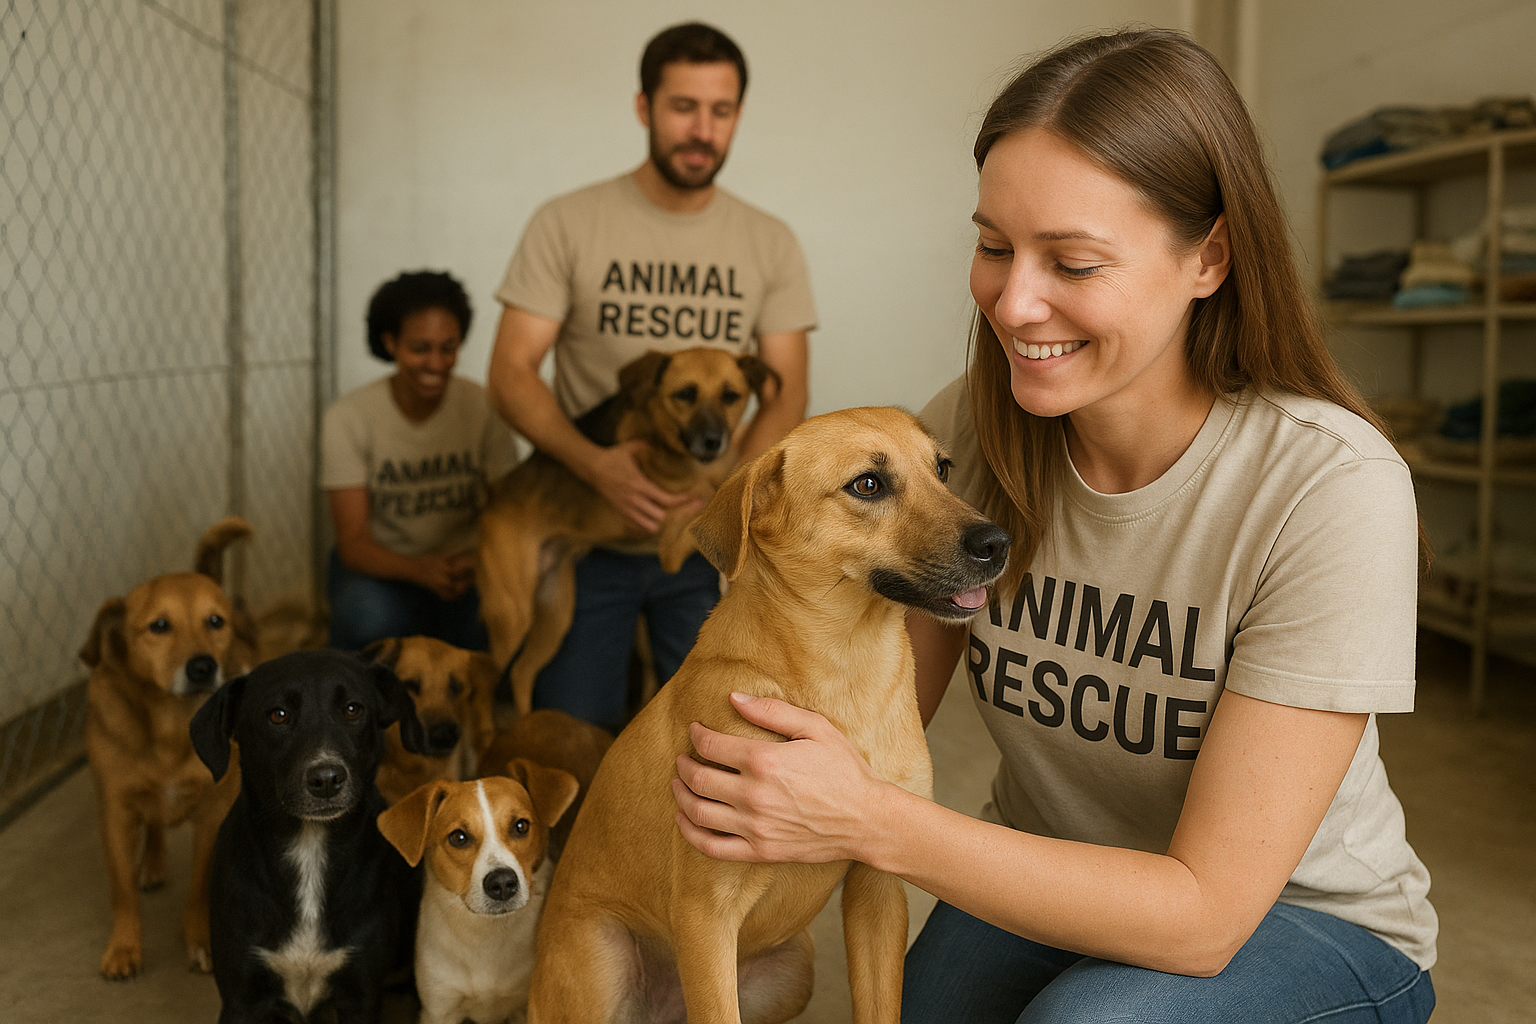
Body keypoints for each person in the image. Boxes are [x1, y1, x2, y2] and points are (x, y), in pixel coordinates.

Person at [669, 29, 1437, 1024]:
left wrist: (868, 818)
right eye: (993, 246)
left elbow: (1203, 915)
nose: (1013, 301)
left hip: (1309, 921)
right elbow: (856, 696)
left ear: (1209, 257)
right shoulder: (967, 434)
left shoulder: (1329, 487)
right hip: (1058, 870)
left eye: (1071, 260)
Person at [486, 22, 816, 734]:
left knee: (709, 734)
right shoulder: (568, 223)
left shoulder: (769, 241)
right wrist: (598, 467)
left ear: (737, 116)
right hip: (588, 538)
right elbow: (511, 373)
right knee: (571, 737)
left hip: (698, 543)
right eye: (683, 107)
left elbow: (786, 389)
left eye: (720, 110)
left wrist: (727, 502)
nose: (702, 129)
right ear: (644, 107)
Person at [322, 270, 517, 652]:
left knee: (503, 625)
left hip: (467, 570)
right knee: (367, 619)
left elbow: (510, 509)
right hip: (384, 571)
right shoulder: (348, 418)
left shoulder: (482, 406)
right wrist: (420, 571)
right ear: (389, 342)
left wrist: (478, 560)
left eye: (448, 348)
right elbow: (354, 543)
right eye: (420, 348)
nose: (436, 363)